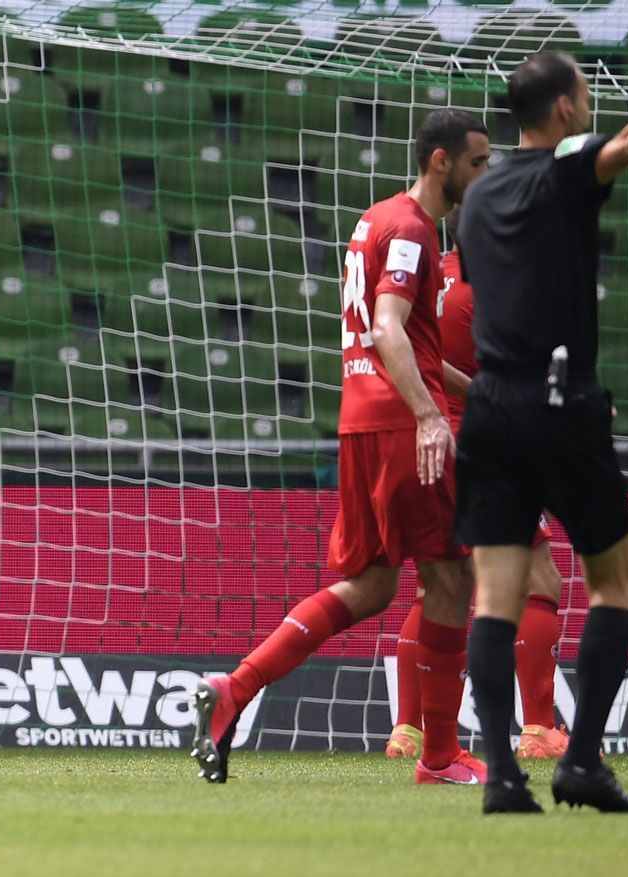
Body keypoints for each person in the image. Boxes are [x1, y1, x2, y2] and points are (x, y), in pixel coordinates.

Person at [191, 109, 491, 785]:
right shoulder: (414, 229)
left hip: (361, 418)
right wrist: (429, 417)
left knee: (373, 585)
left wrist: (474, 395)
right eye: (478, 161)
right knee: (450, 578)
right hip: (398, 422)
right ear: (441, 161)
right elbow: (389, 331)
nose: (485, 172)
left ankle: (235, 688)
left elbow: (408, 340)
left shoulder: (374, 219)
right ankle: (440, 756)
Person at [456, 52, 628, 814]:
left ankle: (502, 775)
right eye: (585, 93)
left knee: (493, 600)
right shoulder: (559, 175)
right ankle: (583, 762)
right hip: (561, 401)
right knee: (612, 584)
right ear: (565, 110)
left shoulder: (476, 197)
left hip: (489, 407)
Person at [386, 209, 570, 763]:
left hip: (430, 441)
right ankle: (538, 727)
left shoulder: (426, 278)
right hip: (488, 445)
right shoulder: (499, 288)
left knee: (437, 587)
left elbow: (406, 350)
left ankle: (407, 730)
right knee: (539, 579)